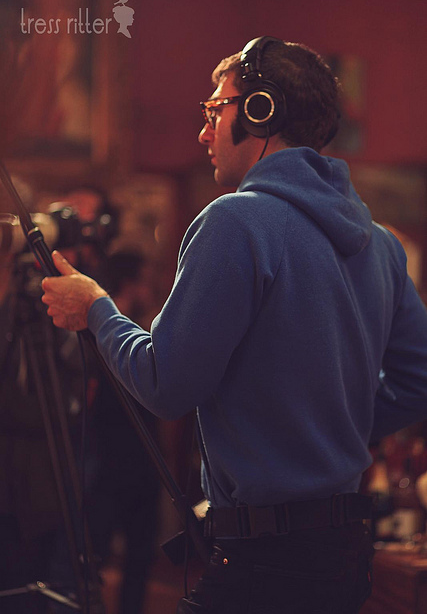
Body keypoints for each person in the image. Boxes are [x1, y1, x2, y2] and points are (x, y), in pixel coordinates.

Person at [41, 37, 427, 614]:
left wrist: (97, 308)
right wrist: (329, 431)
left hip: (262, 561)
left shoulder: (235, 222)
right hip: (346, 552)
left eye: (214, 110)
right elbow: (418, 381)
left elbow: (165, 385)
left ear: (260, 112)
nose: (204, 133)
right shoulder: (382, 245)